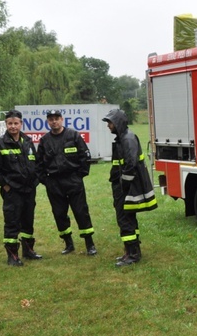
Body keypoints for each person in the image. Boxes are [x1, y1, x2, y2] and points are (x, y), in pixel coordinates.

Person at [36, 109, 97, 256]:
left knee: (81, 211)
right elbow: (38, 165)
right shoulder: (44, 140)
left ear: (62, 119)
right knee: (59, 214)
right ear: (48, 121)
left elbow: (85, 156)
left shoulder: (73, 135)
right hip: (54, 183)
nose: (54, 121)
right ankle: (69, 243)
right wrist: (46, 181)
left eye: (56, 118)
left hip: (73, 180)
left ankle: (90, 244)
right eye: (51, 119)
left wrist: (79, 175)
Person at [0, 109, 41, 265]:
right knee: (12, 222)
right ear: (6, 124)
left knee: (28, 221)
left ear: (21, 124)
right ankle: (12, 256)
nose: (13, 126)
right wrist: (5, 185)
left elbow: (36, 163)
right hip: (13, 191)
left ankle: (28, 251)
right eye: (10, 123)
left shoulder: (28, 141)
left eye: (16, 123)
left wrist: (35, 181)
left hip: (29, 190)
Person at [103, 108, 158, 266]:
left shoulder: (128, 139)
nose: (108, 126)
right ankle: (131, 251)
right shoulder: (123, 138)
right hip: (123, 186)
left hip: (126, 188)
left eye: (110, 122)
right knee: (128, 218)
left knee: (124, 219)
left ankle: (132, 254)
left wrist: (123, 186)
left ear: (118, 122)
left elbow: (130, 165)